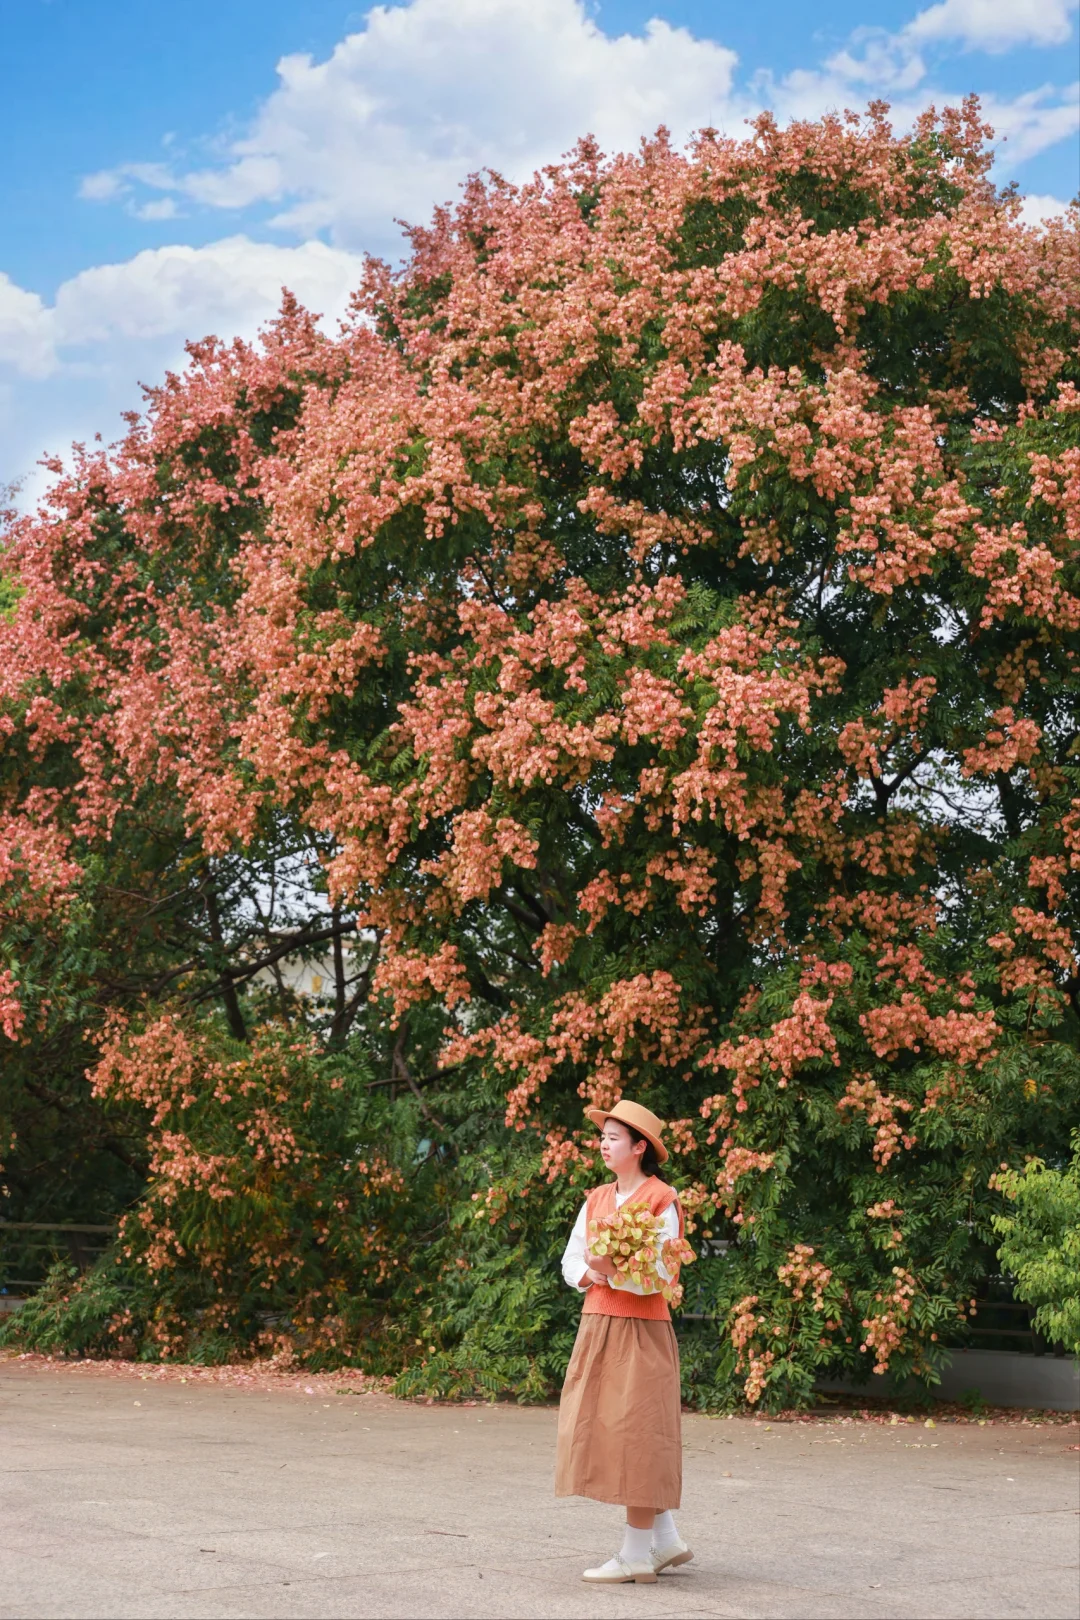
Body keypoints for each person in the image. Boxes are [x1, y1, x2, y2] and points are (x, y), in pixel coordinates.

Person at [554, 1098, 693, 1584]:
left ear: (639, 1147)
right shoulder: (596, 1198)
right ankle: (665, 1539)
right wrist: (590, 1275)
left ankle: (636, 1555)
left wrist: (611, 1272)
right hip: (598, 1326)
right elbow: (572, 1258)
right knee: (611, 1433)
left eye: (613, 1138)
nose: (603, 1144)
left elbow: (663, 1273)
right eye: (603, 1137)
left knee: (639, 1436)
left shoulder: (661, 1199)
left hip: (642, 1329)